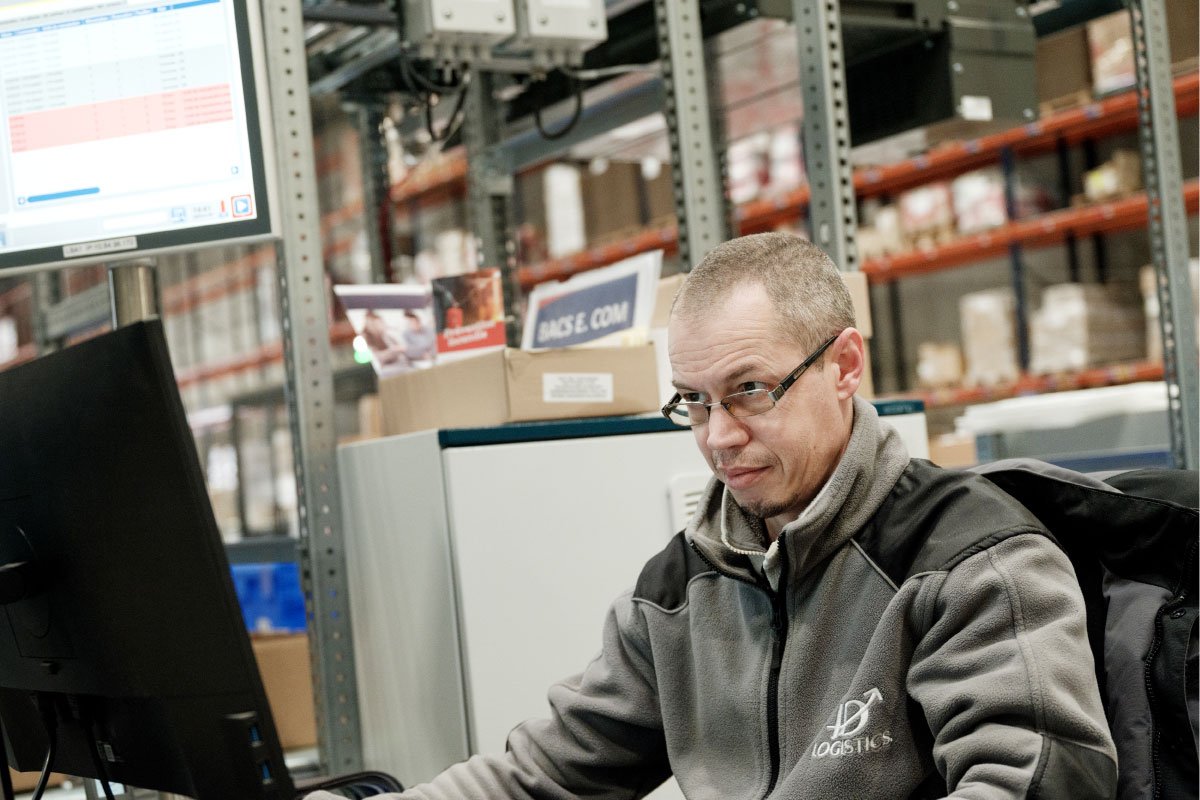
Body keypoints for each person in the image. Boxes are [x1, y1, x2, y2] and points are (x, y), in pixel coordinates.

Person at [310, 233, 1117, 799]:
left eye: (749, 390)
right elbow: (543, 774)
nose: (719, 437)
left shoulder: (969, 558)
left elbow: (1039, 781)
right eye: (693, 403)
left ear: (843, 366)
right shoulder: (681, 590)